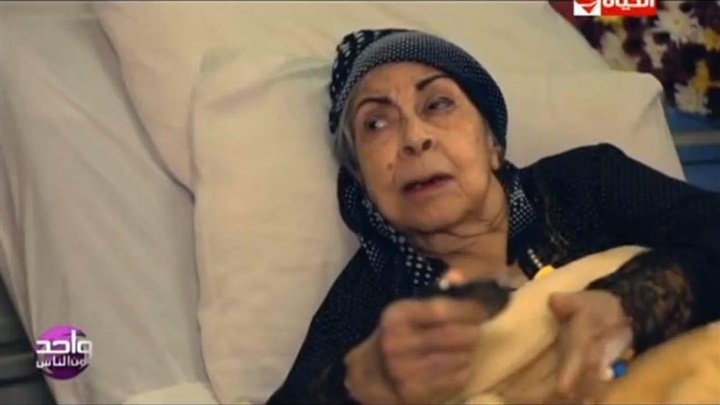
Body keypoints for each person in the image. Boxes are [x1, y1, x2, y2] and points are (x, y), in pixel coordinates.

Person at [267, 29, 720, 404]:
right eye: (376, 124)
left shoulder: (585, 185)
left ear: (492, 144)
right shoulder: (367, 302)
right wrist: (355, 386)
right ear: (363, 183)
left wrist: (630, 304)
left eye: (437, 104)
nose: (414, 138)